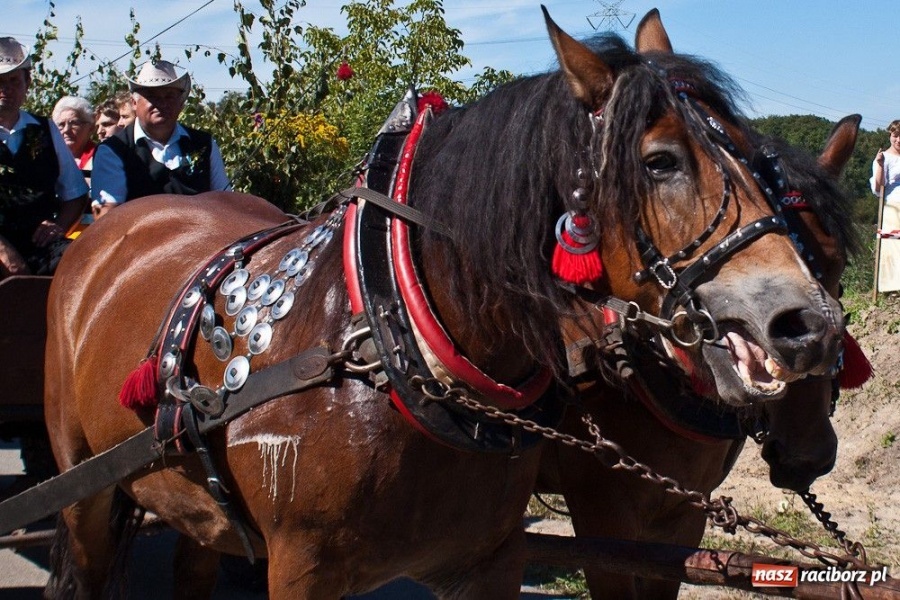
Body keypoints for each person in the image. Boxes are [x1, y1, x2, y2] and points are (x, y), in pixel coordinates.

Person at [91, 60, 230, 218]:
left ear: (180, 103)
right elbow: (107, 218)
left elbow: (225, 203)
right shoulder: (113, 151)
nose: (162, 103)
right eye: (152, 96)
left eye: (169, 96)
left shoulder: (205, 144)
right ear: (134, 103)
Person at [0, 37, 89, 276]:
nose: (5, 89)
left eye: (13, 81)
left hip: (40, 244)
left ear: (26, 83)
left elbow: (76, 193)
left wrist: (58, 227)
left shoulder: (46, 129)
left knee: (85, 265)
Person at [871, 120, 900, 293]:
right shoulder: (884, 158)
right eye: (895, 136)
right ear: (890, 136)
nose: (898, 140)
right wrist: (881, 165)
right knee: (892, 243)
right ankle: (892, 287)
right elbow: (878, 187)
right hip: (893, 205)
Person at [52, 95, 95, 180]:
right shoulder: (49, 159)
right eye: (61, 124)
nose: (66, 130)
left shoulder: (99, 159)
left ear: (91, 128)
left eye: (74, 123)